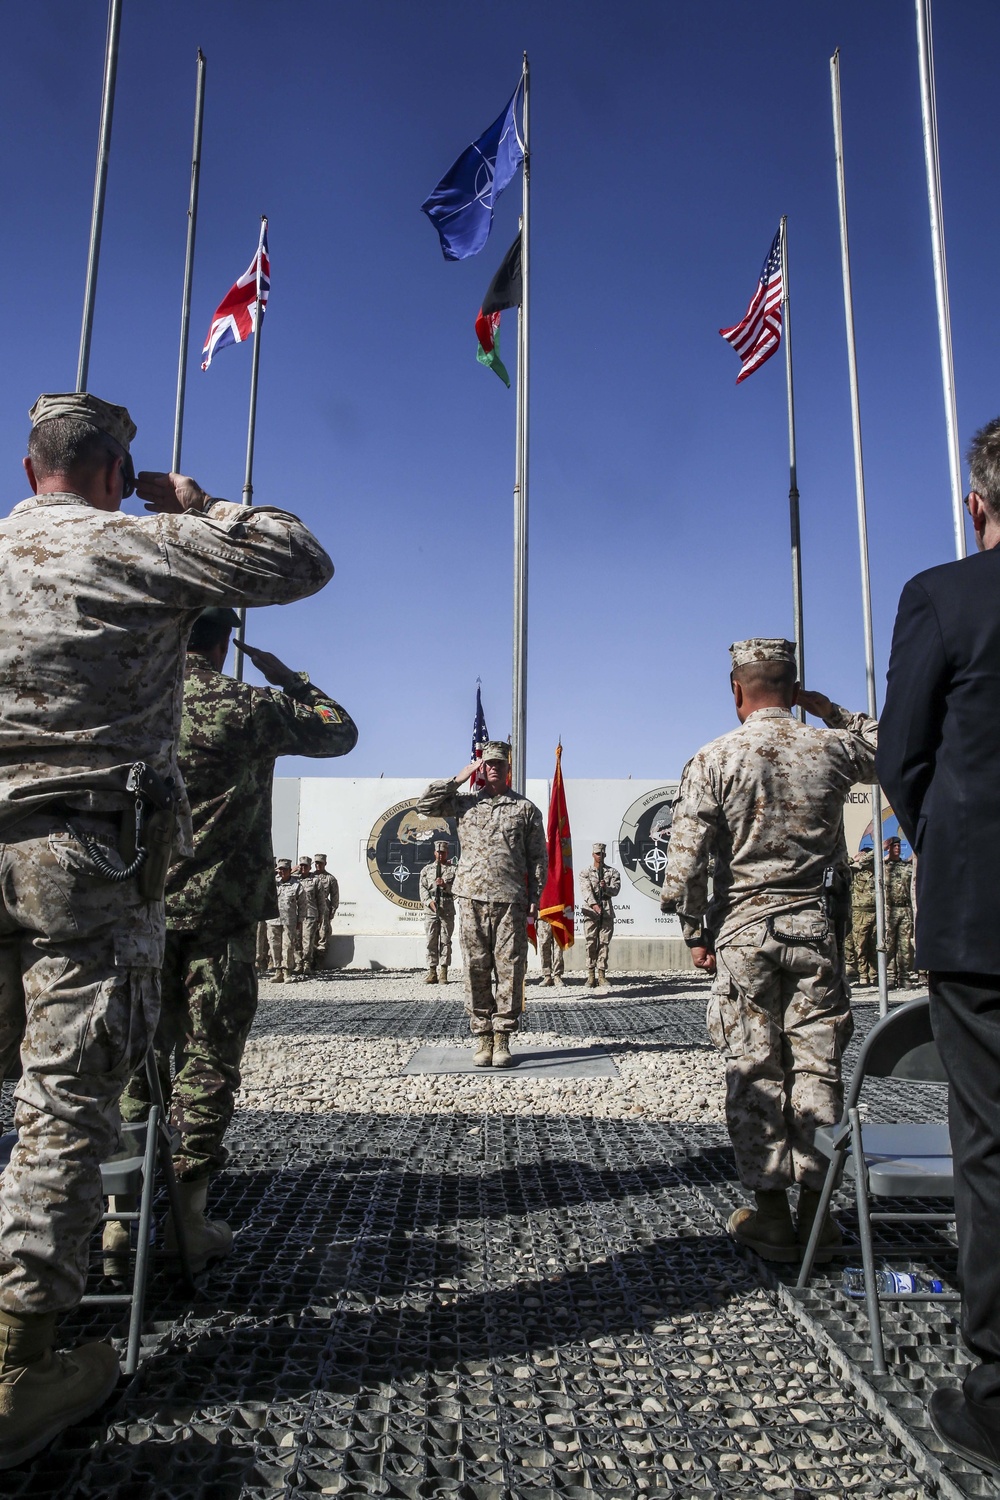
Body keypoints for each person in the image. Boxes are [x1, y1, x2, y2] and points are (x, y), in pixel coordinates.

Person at [0, 391, 333, 1467]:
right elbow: (297, 556)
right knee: (65, 1103)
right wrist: (198, 504)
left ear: (25, 463)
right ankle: (19, 1363)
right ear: (114, 471)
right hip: (81, 862)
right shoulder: (129, 544)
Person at [113, 612, 356, 1267]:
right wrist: (293, 680)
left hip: (137, 912)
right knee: (208, 1060)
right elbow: (342, 732)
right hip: (220, 917)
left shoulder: (130, 704)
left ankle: (118, 1224)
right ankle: (189, 1226)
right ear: (223, 644)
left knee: (137, 1057)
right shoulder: (247, 706)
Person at [662, 638, 877, 1265]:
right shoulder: (832, 748)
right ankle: (818, 1217)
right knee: (817, 1067)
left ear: (737, 690)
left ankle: (773, 1219)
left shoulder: (714, 757)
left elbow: (685, 867)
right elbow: (892, 746)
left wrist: (697, 935)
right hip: (813, 930)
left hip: (744, 936)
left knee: (755, 1070)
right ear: (792, 686)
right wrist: (830, 708)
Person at [877, 417, 1000, 1475]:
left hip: (984, 919)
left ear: (977, 501)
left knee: (993, 1150)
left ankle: (998, 1395)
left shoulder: (946, 596)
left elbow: (902, 755)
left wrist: (950, 849)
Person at [417, 743, 546, 1067]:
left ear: (508, 767)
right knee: (475, 967)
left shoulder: (525, 809)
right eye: (487, 763)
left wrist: (535, 898)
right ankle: (482, 1038)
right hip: (472, 897)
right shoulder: (465, 804)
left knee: (510, 970)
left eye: (499, 763)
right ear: (481, 766)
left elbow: (538, 858)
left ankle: (502, 1038)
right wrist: (461, 777)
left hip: (510, 899)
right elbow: (426, 806)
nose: (493, 768)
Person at [578, 843, 621, 989]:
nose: (599, 856)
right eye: (597, 853)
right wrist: (594, 906)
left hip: (606, 909)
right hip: (591, 910)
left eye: (602, 854)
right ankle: (590, 975)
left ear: (605, 855)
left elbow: (615, 891)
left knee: (604, 942)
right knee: (590, 942)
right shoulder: (586, 872)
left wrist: (606, 888)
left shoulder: (612, 872)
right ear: (593, 854)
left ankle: (602, 974)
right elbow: (586, 891)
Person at [419, 840, 456, 984]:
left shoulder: (454, 870)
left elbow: (459, 889)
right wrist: (429, 902)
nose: (440, 855)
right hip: (431, 910)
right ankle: (432, 971)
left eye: (443, 853)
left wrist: (446, 886)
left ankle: (444, 972)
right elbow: (422, 889)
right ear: (434, 853)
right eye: (438, 852)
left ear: (447, 853)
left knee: (445, 940)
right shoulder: (426, 870)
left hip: (446, 909)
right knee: (431, 939)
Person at [883, 837, 913, 989]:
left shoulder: (906, 867)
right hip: (889, 909)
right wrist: (882, 850)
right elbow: (863, 863)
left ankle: (904, 976)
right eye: (893, 846)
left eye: (899, 846)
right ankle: (889, 976)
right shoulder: (883, 866)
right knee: (889, 944)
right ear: (888, 847)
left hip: (905, 909)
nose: (897, 848)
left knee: (905, 945)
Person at [270, 860, 304, 982]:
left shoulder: (296, 885)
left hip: (289, 921)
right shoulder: (273, 883)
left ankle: (287, 972)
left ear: (290, 871)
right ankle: (277, 971)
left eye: (284, 869)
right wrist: (274, 872)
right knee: (274, 946)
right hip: (273, 920)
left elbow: (302, 905)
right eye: (279, 869)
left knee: (288, 946)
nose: (281, 872)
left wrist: (300, 920)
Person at [847, 849, 877, 986]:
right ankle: (863, 975)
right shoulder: (855, 873)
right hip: (859, 913)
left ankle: (874, 975)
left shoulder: (877, 873)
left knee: (874, 945)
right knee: (860, 945)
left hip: (875, 912)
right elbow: (842, 863)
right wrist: (854, 858)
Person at [295, 855, 321, 973]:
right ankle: (298, 963)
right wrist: (292, 870)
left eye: (305, 866)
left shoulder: (315, 881)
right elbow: (278, 877)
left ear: (310, 867)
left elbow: (321, 900)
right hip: (295, 915)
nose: (303, 868)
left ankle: (307, 964)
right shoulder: (294, 879)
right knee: (296, 939)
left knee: (308, 940)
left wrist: (321, 916)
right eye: (301, 866)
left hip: (310, 914)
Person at [312, 854, 339, 968]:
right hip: (311, 909)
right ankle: (310, 962)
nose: (318, 865)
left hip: (324, 909)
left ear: (325, 864)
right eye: (316, 863)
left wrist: (332, 911)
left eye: (320, 863)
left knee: (323, 935)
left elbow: (335, 896)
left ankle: (319, 962)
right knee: (310, 935)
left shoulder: (330, 878)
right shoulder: (310, 876)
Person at [537, 919, 565, 986]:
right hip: (543, 915)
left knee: (558, 946)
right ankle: (547, 975)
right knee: (544, 945)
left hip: (558, 915)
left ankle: (557, 975)